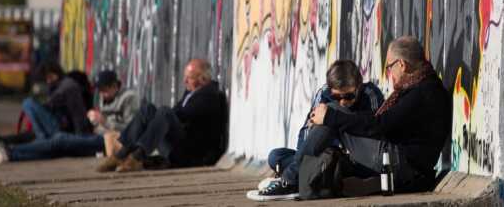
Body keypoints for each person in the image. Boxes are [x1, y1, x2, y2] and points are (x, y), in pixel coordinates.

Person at [302, 36, 451, 198]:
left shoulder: (423, 92)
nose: (389, 73)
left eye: (389, 67)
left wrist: (330, 117)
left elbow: (380, 125)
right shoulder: (423, 86)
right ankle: (302, 174)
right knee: (332, 122)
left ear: (401, 65)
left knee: (331, 111)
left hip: (404, 166)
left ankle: (294, 176)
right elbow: (384, 123)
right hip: (405, 164)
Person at [253, 60, 384, 200]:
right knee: (276, 156)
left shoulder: (370, 94)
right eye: (336, 97)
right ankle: (312, 176)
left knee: (330, 112)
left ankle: (294, 179)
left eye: (348, 96)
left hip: (354, 159)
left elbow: (375, 132)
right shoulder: (323, 94)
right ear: (330, 90)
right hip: (325, 155)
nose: (342, 102)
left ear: (359, 86)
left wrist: (336, 119)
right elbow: (306, 134)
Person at [96, 58, 227, 173]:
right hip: (180, 144)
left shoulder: (211, 95)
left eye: (189, 78)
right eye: (185, 76)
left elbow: (183, 115)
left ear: (203, 79)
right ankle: (121, 154)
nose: (185, 81)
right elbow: (177, 112)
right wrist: (158, 119)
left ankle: (137, 157)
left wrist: (160, 118)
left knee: (165, 112)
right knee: (147, 109)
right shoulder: (192, 91)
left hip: (189, 153)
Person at [0, 61, 101, 164]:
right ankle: (8, 151)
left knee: (28, 103)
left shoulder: (67, 86)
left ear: (55, 73)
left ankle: (15, 147)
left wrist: (80, 138)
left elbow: (74, 114)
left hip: (63, 130)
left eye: (49, 77)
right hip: (62, 128)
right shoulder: (61, 86)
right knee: (43, 147)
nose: (48, 81)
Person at [88, 70, 140, 156]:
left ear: (114, 86)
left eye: (104, 90)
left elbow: (131, 129)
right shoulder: (101, 97)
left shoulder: (129, 97)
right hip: (99, 137)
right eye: (100, 90)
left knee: (70, 142)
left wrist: (105, 121)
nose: (102, 94)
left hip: (119, 141)